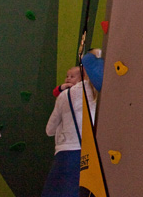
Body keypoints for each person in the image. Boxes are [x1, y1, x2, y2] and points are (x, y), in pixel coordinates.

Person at [41, 61, 98, 197]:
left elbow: (49, 129)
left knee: (54, 189)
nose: (68, 79)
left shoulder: (64, 95)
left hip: (65, 150)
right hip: (87, 149)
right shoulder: (94, 92)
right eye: (67, 76)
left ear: (82, 77)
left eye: (72, 76)